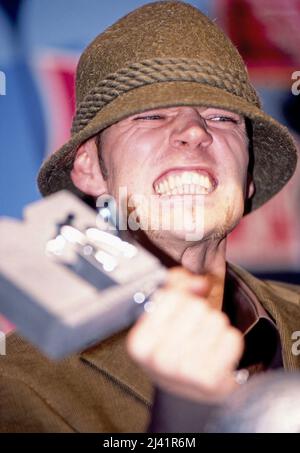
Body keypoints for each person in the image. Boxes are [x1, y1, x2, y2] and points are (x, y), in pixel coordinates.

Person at [1, 1, 299, 433]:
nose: (196, 132)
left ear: (248, 176)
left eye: (221, 117)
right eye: (151, 116)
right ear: (90, 169)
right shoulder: (20, 384)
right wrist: (181, 418)